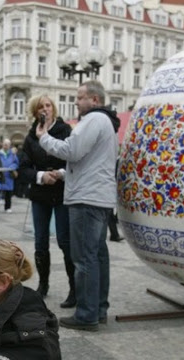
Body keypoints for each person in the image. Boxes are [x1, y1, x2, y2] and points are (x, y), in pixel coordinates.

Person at [36, 80, 120, 331]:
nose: (76, 101)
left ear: (94, 100)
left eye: (80, 97)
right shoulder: (106, 122)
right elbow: (87, 160)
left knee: (84, 258)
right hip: (98, 196)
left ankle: (86, 314)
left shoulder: (94, 119)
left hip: (86, 198)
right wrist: (65, 174)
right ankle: (99, 308)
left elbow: (71, 150)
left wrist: (44, 137)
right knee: (97, 256)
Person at [18, 94, 76, 306]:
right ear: (35, 112)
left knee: (65, 241)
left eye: (48, 105)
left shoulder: (65, 130)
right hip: (40, 194)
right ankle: (43, 284)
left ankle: (74, 288)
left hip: (62, 193)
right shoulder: (31, 136)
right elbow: (23, 168)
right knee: (40, 241)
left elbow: (74, 159)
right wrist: (41, 176)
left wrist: (59, 173)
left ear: (54, 109)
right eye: (41, 107)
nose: (45, 109)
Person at [0, 139, 19, 213]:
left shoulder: (12, 154)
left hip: (9, 174)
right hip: (0, 174)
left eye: (7, 144)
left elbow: (16, 163)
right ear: (2, 144)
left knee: (8, 193)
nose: (6, 145)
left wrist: (12, 167)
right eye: (5, 144)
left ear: (9, 145)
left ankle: (7, 207)